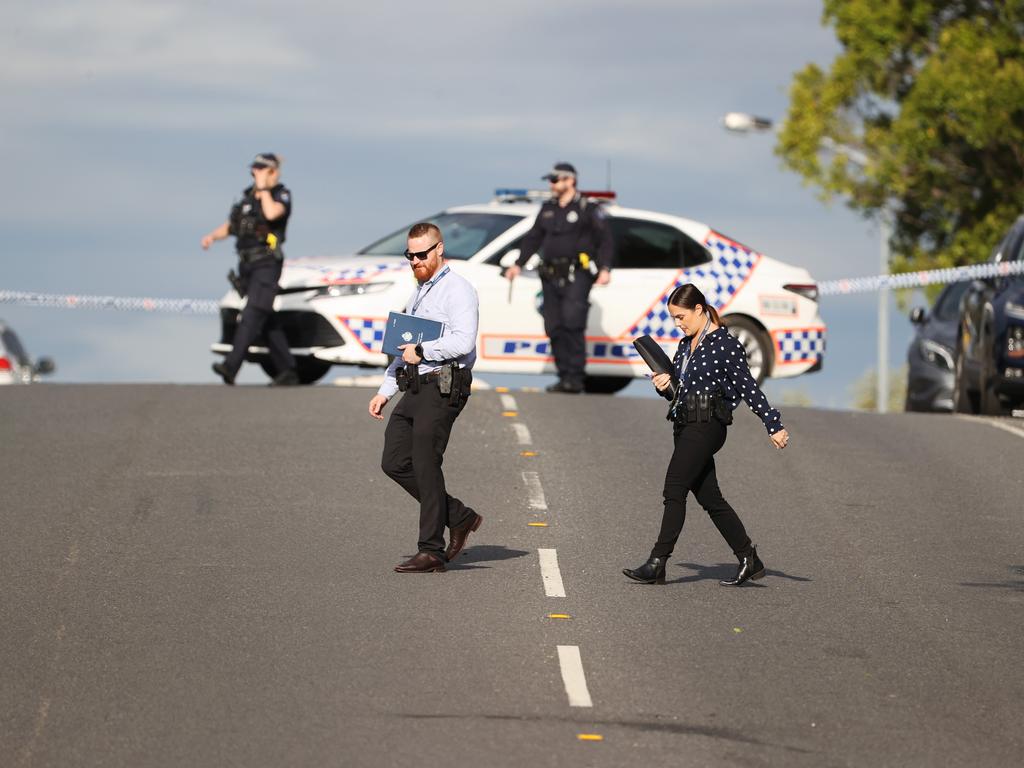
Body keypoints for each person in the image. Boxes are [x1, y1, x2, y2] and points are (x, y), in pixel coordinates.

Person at [622, 283, 790, 587]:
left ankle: (657, 562)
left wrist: (773, 424)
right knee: (710, 497)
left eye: (681, 316)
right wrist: (664, 384)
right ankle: (748, 557)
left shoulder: (725, 344)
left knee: (674, 487)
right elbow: (678, 393)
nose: (678, 323)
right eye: (674, 318)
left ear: (699, 309)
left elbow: (748, 387)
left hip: (709, 425)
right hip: (684, 424)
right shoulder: (685, 345)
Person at [368, 222, 482, 573]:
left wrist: (424, 348)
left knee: (425, 462)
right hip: (415, 385)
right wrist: (385, 390)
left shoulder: (457, 290)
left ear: (439, 250)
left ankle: (431, 550)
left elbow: (464, 342)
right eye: (410, 255)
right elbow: (400, 349)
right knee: (394, 460)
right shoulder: (417, 294)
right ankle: (458, 516)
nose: (415, 260)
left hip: (445, 384)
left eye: (422, 254)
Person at [504, 162, 613, 393]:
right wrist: (518, 264)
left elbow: (605, 240)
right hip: (550, 275)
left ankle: (575, 377)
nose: (551, 184)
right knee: (553, 325)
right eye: (551, 180)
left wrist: (605, 268)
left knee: (572, 322)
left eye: (555, 180)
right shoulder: (548, 208)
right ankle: (564, 375)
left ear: (570, 180)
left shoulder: (587, 208)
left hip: (577, 274)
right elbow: (533, 238)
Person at [201, 152, 299, 386]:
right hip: (246, 265)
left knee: (252, 313)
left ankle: (230, 366)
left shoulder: (279, 194)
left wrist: (264, 189)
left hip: (267, 264)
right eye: (254, 170)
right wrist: (212, 237)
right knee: (265, 317)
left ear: (273, 172)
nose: (256, 174)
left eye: (262, 170)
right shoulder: (247, 198)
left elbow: (272, 213)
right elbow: (232, 226)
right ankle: (288, 370)